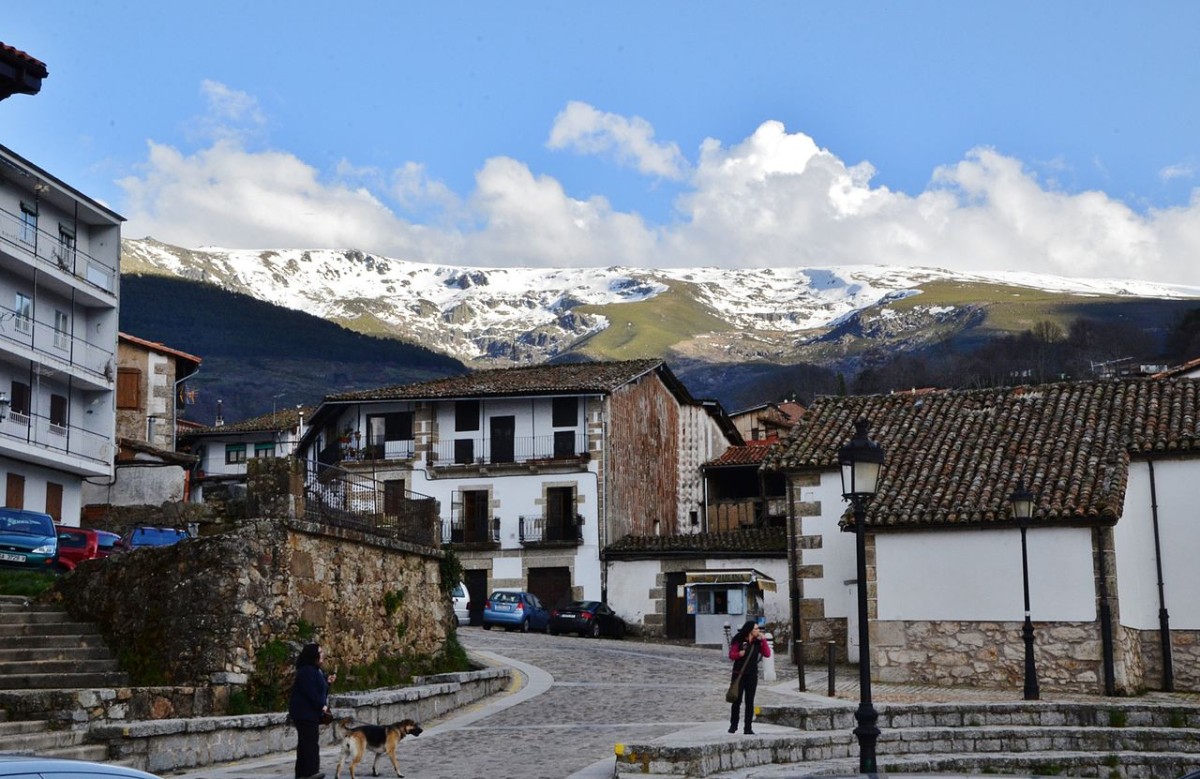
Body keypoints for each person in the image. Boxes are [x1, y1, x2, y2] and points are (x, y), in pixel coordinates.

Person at [288, 642, 337, 779]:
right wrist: (323, 706)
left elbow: (319, 690)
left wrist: (327, 682)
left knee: (306, 744)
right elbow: (310, 693)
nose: (322, 655)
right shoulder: (307, 671)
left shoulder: (315, 670)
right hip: (304, 713)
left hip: (309, 713)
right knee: (309, 744)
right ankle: (310, 772)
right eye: (320, 652)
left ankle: (303, 774)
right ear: (313, 655)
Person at [727, 620, 771, 735]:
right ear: (750, 630)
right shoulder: (739, 640)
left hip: (752, 675)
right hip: (739, 674)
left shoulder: (757, 642)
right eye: (756, 629)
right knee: (736, 700)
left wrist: (764, 641)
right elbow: (731, 655)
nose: (758, 631)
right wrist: (739, 654)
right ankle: (734, 724)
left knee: (749, 701)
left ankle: (748, 727)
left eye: (759, 629)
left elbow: (767, 654)